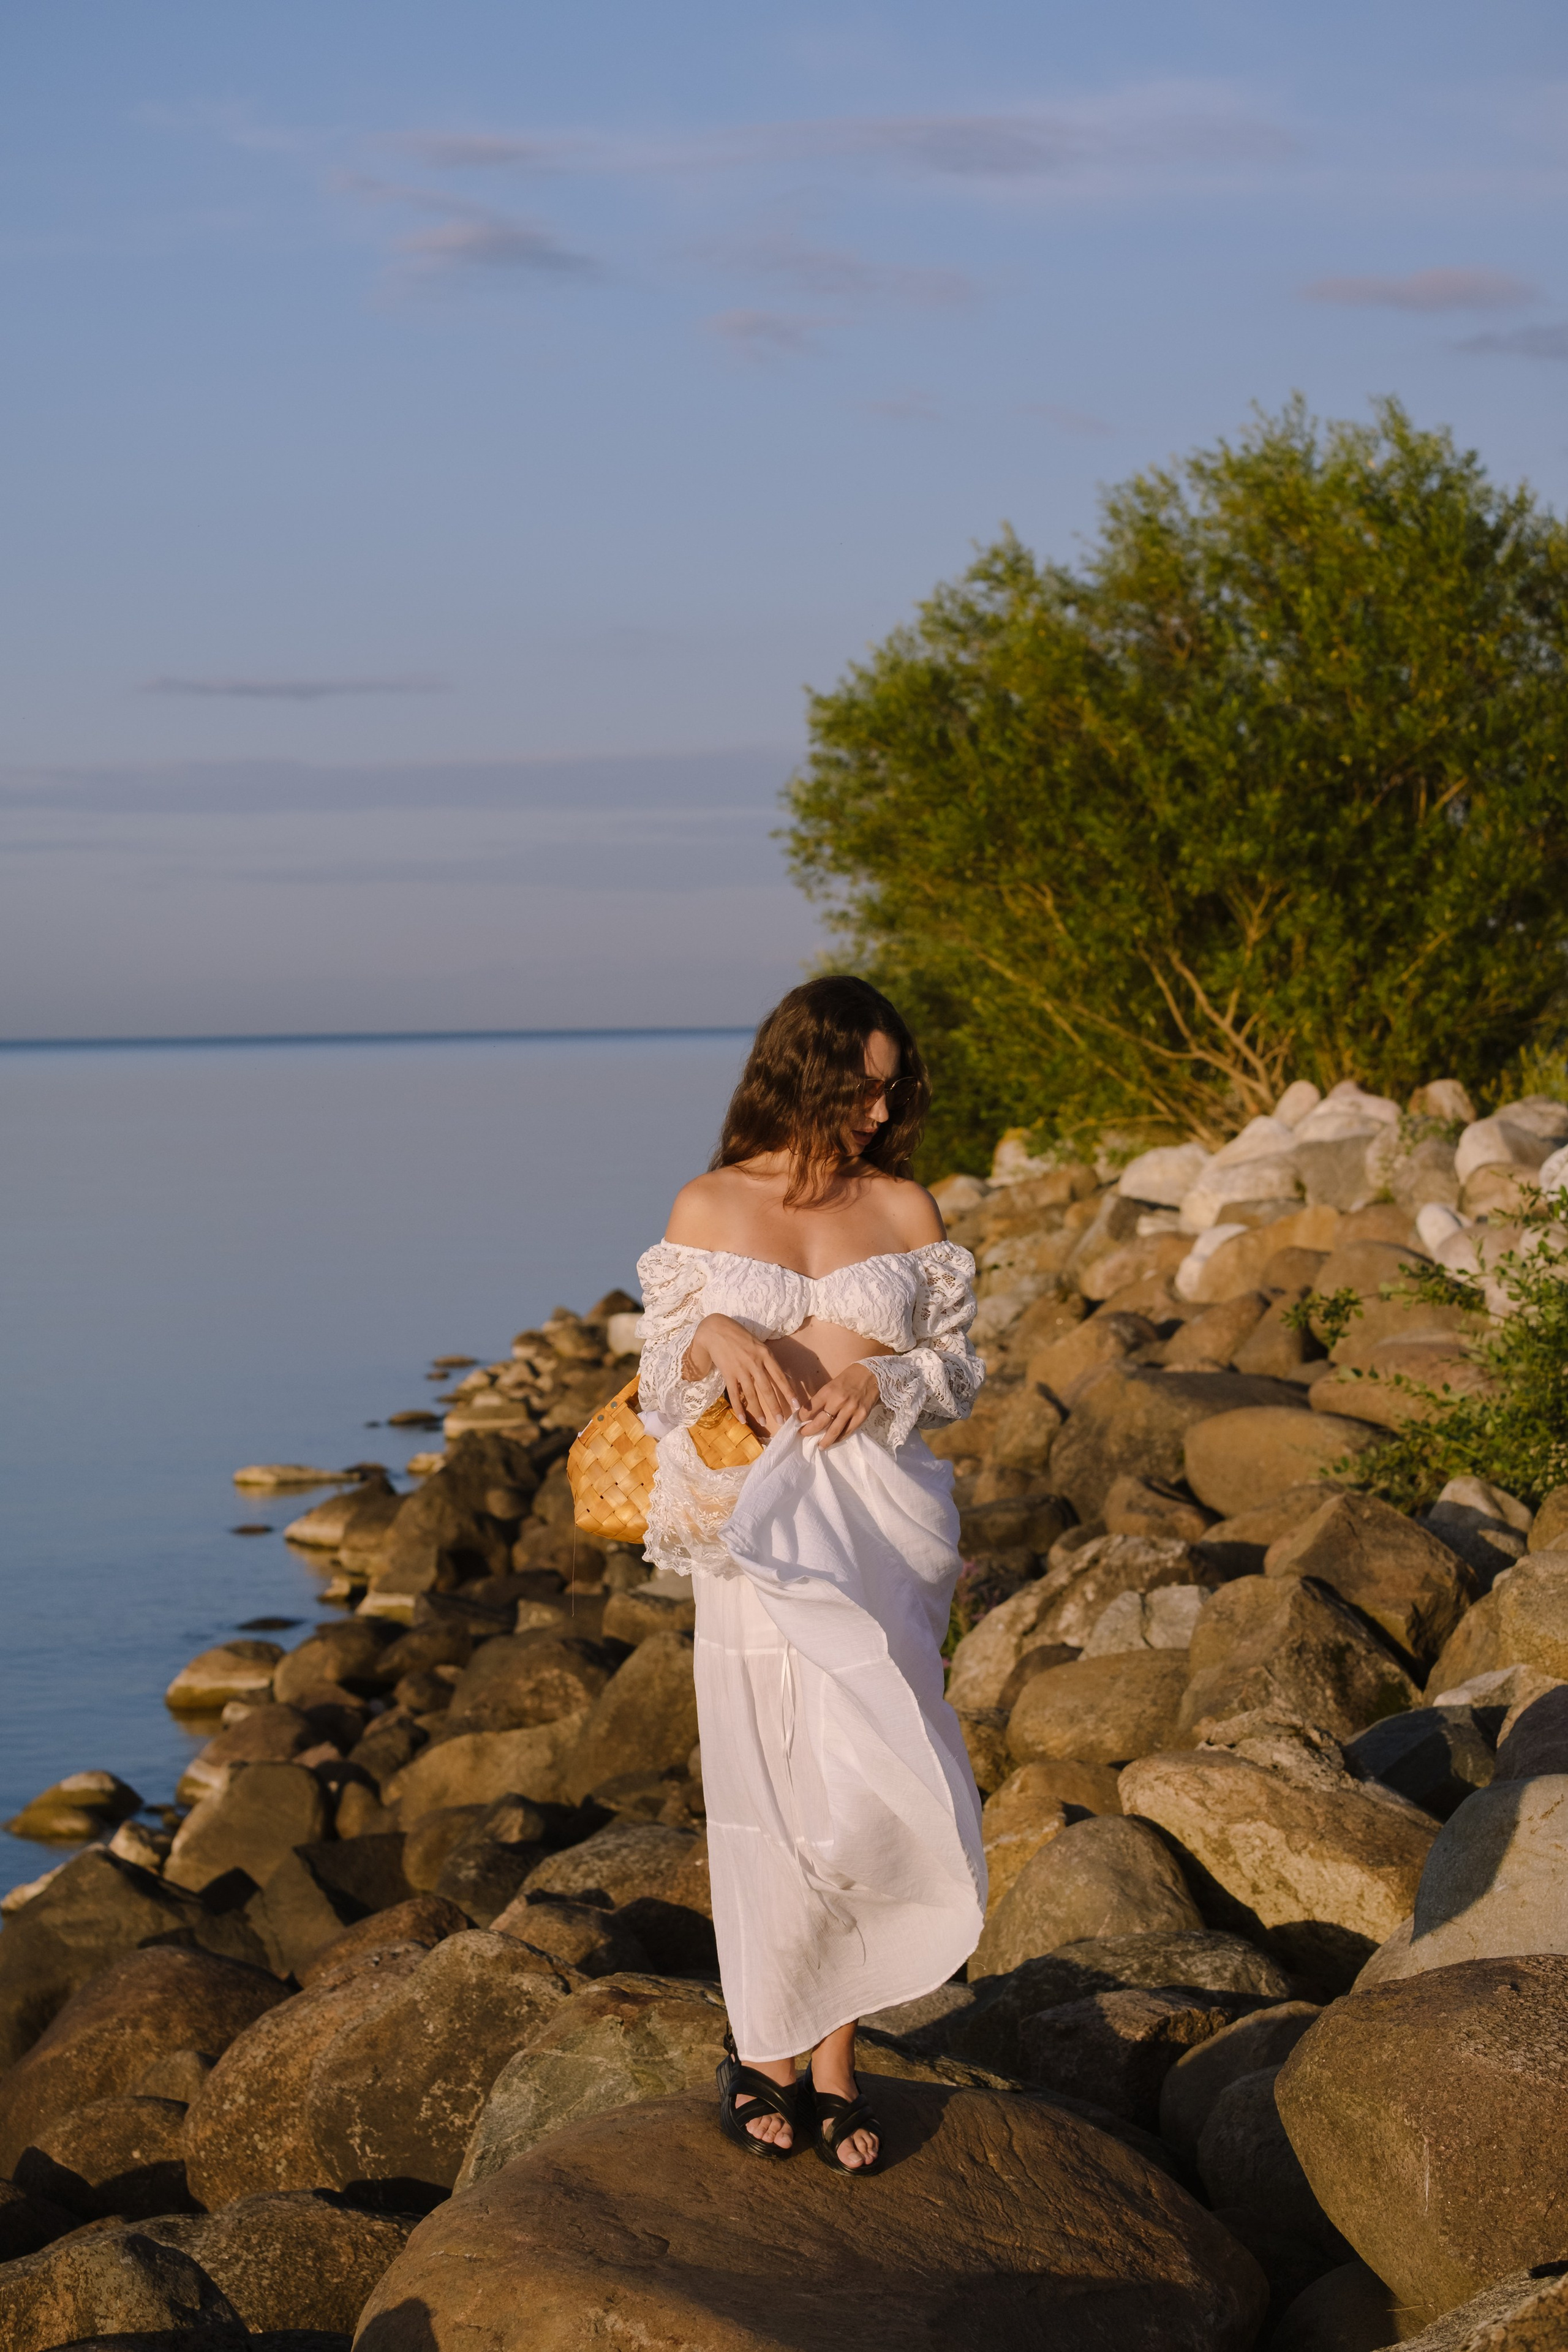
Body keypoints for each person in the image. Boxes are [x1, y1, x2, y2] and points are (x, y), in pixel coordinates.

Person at [635, 973, 987, 2175]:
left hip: (879, 1529)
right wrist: (711, 1333)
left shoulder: (903, 1206)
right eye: (862, 1086)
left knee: (866, 1786)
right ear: (801, 1072)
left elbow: (954, 1373)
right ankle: (766, 2054)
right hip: (755, 1538)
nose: (882, 1113)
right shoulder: (706, 1202)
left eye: (894, 1090)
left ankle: (835, 2059)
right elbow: (657, 1391)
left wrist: (879, 1382)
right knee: (765, 1790)